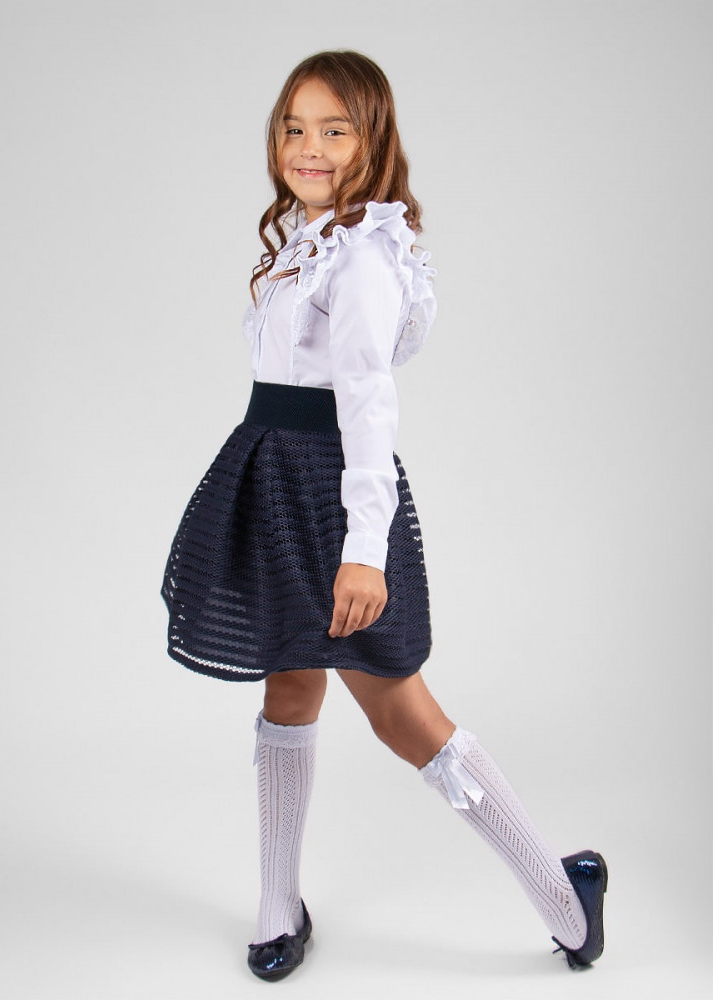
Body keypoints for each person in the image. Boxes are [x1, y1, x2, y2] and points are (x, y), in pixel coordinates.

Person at [160, 49, 607, 981]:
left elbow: (367, 404)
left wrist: (365, 550)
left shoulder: (365, 253)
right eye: (295, 127)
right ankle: (279, 908)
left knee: (401, 713)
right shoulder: (306, 239)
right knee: (288, 693)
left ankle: (566, 899)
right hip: (272, 486)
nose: (309, 147)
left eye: (335, 129)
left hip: (331, 498)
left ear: (373, 138)